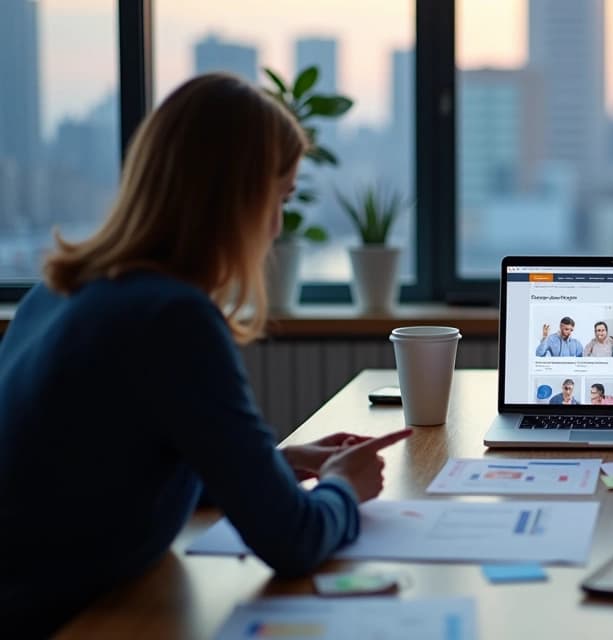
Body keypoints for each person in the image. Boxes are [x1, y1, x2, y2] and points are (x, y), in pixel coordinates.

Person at [0, 74, 410, 637]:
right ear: (238, 202)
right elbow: (292, 542)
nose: (275, 226)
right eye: (280, 199)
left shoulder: (55, 295)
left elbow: (106, 472)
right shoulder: (172, 319)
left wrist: (272, 465)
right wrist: (344, 487)